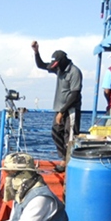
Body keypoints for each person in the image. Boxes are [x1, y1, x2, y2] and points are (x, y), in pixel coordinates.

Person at [31, 42, 82, 172]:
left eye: (57, 64)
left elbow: (75, 94)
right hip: (59, 109)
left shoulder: (74, 72)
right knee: (55, 132)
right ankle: (64, 159)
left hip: (70, 110)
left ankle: (69, 165)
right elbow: (41, 65)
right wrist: (36, 52)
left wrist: (62, 111)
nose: (56, 67)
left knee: (69, 136)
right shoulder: (58, 68)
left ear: (63, 61)